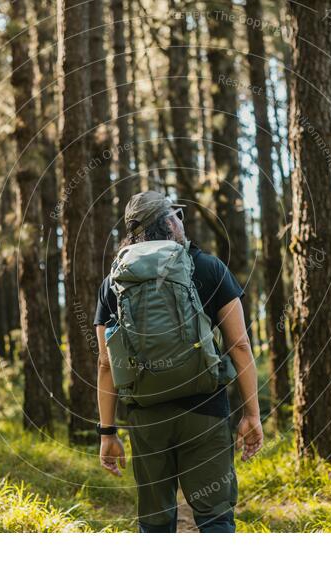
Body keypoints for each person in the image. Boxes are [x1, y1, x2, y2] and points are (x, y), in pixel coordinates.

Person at [93, 190, 264, 533]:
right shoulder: (207, 266)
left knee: (155, 525)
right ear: (170, 222)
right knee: (216, 519)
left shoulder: (115, 282)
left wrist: (107, 432)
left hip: (146, 417)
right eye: (177, 215)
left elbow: (106, 363)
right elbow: (240, 345)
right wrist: (251, 414)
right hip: (205, 410)